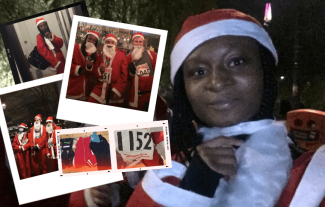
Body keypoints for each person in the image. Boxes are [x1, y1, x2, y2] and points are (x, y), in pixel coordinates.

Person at [70, 9, 293, 207]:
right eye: (199, 71)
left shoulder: (311, 170)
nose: (217, 81)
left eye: (237, 62)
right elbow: (79, 164)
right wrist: (96, 194)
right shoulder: (170, 142)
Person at [88, 33, 128, 106]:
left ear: (115, 44)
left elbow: (124, 75)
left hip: (114, 89)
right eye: (107, 42)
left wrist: (118, 90)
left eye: (112, 42)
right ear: (104, 43)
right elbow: (94, 73)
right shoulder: (100, 57)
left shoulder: (122, 56)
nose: (110, 44)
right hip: (99, 89)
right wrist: (100, 69)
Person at [127, 32, 157, 111]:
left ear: (143, 43)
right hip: (135, 98)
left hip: (150, 96)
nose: (138, 44)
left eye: (140, 42)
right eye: (136, 41)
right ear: (132, 42)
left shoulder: (152, 55)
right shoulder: (128, 57)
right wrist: (131, 72)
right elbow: (127, 78)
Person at [66, 30, 99, 100]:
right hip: (72, 87)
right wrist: (78, 70)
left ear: (96, 43)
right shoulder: (75, 47)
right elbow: (66, 64)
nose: (91, 41)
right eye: (90, 38)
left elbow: (94, 70)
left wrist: (90, 66)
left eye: (94, 40)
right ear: (86, 38)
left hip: (85, 89)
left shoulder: (95, 54)